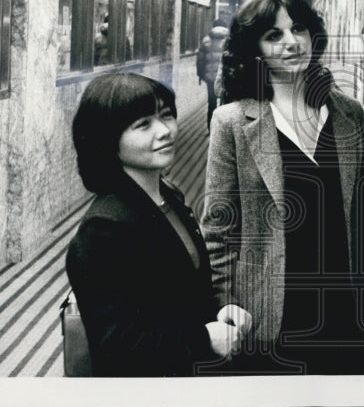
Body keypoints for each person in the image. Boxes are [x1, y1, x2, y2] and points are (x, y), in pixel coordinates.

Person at [201, 0, 364, 375]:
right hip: (267, 319)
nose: (291, 42)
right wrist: (225, 305)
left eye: (299, 29)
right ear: (255, 47)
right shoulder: (233, 122)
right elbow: (218, 230)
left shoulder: (347, 113)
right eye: (274, 35)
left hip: (341, 313)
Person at [65, 72, 252, 376]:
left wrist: (222, 305)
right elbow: (116, 345)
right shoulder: (103, 229)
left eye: (166, 116)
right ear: (108, 140)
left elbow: (188, 286)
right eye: (143, 125)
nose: (164, 131)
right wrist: (204, 339)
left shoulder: (169, 195)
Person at [197, 18, 229, 129]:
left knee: (211, 102)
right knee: (226, 102)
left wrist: (201, 75)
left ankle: (211, 128)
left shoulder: (206, 40)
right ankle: (224, 129)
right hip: (225, 76)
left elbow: (200, 61)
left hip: (210, 77)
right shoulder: (230, 40)